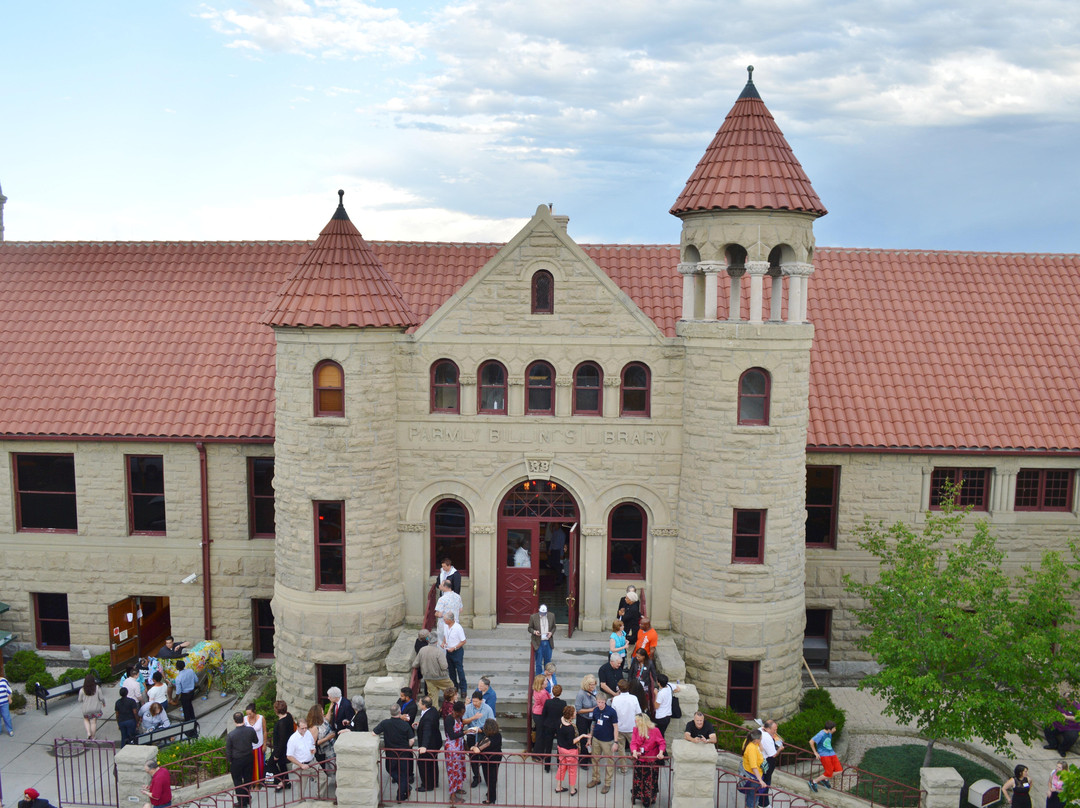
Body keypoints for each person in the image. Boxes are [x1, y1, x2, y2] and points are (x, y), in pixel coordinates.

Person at [372, 704, 416, 803]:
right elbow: (412, 740)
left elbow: (374, 733)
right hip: (404, 753)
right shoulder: (405, 725)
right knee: (403, 775)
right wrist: (407, 746)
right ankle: (403, 789)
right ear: (400, 712)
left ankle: (402, 792)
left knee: (390, 770)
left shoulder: (385, 723)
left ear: (390, 713)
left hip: (391, 754)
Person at [630, 713, 666, 808]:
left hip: (651, 759)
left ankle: (648, 799)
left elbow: (662, 743)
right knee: (638, 779)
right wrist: (634, 751)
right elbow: (633, 742)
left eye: (637, 721)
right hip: (640, 759)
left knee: (650, 781)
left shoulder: (654, 730)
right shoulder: (636, 730)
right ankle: (637, 796)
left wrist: (661, 752)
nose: (636, 722)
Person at [586, 691, 618, 793]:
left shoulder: (611, 712)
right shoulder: (595, 711)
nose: (600, 704)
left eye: (602, 702)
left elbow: (615, 727)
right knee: (595, 759)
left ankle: (607, 783)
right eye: (598, 702)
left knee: (609, 761)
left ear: (605, 701)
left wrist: (616, 742)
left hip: (608, 741)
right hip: (596, 739)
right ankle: (596, 779)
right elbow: (593, 724)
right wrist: (590, 737)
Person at [463, 690, 495, 788]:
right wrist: (473, 718)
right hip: (471, 735)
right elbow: (463, 721)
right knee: (473, 757)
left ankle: (488, 778)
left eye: (476, 701)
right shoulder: (468, 708)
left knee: (485, 757)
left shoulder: (487, 709)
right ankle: (476, 777)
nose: (474, 703)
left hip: (483, 734)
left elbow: (492, 723)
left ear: (481, 700)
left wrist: (482, 730)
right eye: (473, 701)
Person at [555, 704, 589, 796]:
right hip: (570, 751)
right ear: (570, 716)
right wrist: (582, 736)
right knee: (572, 770)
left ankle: (558, 786)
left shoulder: (560, 720)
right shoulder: (570, 728)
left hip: (561, 748)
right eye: (574, 713)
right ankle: (572, 790)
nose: (575, 713)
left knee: (562, 767)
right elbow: (572, 742)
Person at [227, 711, 259, 807]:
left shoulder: (231, 735)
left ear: (234, 721)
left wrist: (230, 761)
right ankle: (247, 797)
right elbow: (256, 740)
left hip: (237, 760)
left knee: (237, 781)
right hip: (249, 757)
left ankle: (242, 802)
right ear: (243, 719)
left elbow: (228, 751)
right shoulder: (250, 730)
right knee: (248, 778)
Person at [611, 679, 642, 772]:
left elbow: (613, 714)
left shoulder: (616, 699)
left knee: (621, 748)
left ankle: (623, 767)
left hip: (620, 727)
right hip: (632, 727)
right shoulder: (634, 698)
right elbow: (639, 713)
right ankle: (637, 763)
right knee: (635, 747)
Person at [471, 718, 503, 805]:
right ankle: (490, 794)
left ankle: (491, 798)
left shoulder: (489, 739)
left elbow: (478, 750)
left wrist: (473, 747)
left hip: (489, 760)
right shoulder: (498, 735)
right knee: (493, 777)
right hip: (496, 758)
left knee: (489, 779)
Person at [413, 632, 453, 700]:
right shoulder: (439, 652)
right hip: (441, 677)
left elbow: (415, 664)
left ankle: (435, 709)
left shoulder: (422, 650)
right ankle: (449, 708)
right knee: (451, 692)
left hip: (428, 678)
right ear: (437, 641)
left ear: (428, 640)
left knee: (433, 698)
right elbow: (444, 666)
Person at [416, 695, 443, 793]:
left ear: (424, 705)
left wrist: (424, 746)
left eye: (420, 702)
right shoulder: (433, 710)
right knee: (433, 762)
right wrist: (420, 725)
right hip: (435, 742)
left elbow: (427, 732)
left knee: (423, 764)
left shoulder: (427, 718)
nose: (418, 704)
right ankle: (434, 782)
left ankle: (427, 785)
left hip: (429, 744)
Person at [444, 700, 469, 805]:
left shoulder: (458, 717)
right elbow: (452, 735)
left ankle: (458, 787)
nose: (463, 714)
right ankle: (452, 795)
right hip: (452, 749)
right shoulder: (449, 719)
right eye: (462, 712)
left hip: (459, 747)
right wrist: (464, 733)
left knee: (459, 769)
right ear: (457, 711)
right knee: (453, 771)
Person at [285, 717, 317, 798]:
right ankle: (301, 802)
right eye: (302, 728)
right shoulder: (292, 739)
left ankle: (320, 796)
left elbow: (312, 744)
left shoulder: (308, 733)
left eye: (306, 728)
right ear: (298, 727)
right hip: (300, 766)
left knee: (323, 779)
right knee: (301, 788)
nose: (305, 730)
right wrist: (301, 765)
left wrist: (314, 750)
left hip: (312, 762)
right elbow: (289, 756)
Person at [538, 684, 567, 771]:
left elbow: (544, 715)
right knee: (559, 745)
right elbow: (564, 716)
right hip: (559, 726)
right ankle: (559, 764)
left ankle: (547, 766)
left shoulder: (548, 702)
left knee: (548, 746)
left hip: (549, 725)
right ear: (560, 693)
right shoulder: (563, 703)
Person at [309, 703, 336, 796]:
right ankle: (321, 794)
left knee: (335, 767)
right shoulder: (314, 727)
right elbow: (314, 743)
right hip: (324, 752)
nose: (323, 711)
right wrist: (327, 738)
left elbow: (327, 718)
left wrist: (331, 707)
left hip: (331, 749)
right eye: (321, 710)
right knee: (329, 769)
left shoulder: (323, 720)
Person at [268, 701, 295, 791]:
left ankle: (281, 781)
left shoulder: (281, 723)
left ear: (276, 710)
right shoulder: (289, 716)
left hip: (281, 749)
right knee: (282, 765)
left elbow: (282, 740)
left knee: (271, 763)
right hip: (286, 746)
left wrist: (276, 755)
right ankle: (286, 781)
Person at [807, 720, 841, 792]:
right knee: (829, 772)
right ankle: (813, 782)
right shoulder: (821, 734)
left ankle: (825, 779)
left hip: (831, 753)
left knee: (839, 770)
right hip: (824, 755)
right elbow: (811, 741)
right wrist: (815, 753)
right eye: (834, 728)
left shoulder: (829, 733)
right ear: (829, 729)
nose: (835, 729)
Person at [575, 675, 598, 770]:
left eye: (594, 685)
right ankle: (583, 760)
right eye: (591, 685)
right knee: (584, 738)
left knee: (592, 737)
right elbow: (578, 709)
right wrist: (591, 709)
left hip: (592, 718)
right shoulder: (581, 694)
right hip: (583, 719)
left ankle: (589, 756)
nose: (593, 687)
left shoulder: (594, 691)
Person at [441, 612, 468, 694]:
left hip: (457, 651)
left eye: (445, 619)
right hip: (448, 650)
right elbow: (446, 636)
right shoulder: (446, 626)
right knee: (451, 670)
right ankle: (454, 686)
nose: (444, 620)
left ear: (450, 620)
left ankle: (463, 688)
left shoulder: (458, 628)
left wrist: (454, 647)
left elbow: (463, 641)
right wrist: (443, 642)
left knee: (459, 670)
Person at [740, 729, 768, 808]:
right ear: (756, 740)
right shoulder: (751, 749)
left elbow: (761, 750)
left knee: (753, 798)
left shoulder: (750, 741)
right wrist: (760, 780)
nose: (761, 740)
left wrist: (759, 743)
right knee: (752, 800)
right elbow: (754, 767)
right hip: (753, 777)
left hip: (755, 775)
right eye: (760, 739)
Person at [528, 604, 556, 675]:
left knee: (548, 662)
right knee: (538, 663)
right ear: (539, 611)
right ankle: (539, 678)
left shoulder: (551, 616)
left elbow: (554, 627)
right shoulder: (533, 617)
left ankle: (547, 678)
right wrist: (535, 632)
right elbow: (529, 628)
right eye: (541, 613)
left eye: (544, 613)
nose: (543, 614)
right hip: (538, 642)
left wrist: (551, 633)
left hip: (548, 641)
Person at [760, 719, 784, 802]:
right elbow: (773, 755)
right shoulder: (767, 738)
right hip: (766, 763)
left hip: (762, 760)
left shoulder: (761, 730)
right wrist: (779, 749)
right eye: (774, 730)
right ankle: (763, 803)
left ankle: (762, 801)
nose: (775, 732)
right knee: (766, 783)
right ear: (768, 729)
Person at [244, 702, 267, 787]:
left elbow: (264, 731)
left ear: (254, 712)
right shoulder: (245, 719)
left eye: (250, 714)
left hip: (259, 745)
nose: (249, 716)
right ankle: (251, 783)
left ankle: (258, 783)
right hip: (249, 747)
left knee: (259, 765)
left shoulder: (261, 718)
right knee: (250, 766)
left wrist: (265, 744)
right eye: (247, 714)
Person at [435, 580, 464, 645]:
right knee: (454, 642)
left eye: (441, 585)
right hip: (455, 623)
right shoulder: (458, 596)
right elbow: (460, 610)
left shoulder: (442, 599)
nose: (439, 586)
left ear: (445, 587)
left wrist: (435, 613)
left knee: (442, 643)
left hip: (444, 624)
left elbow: (439, 614)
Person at [78, 674, 106, 740]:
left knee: (86, 720)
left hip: (86, 709)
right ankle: (93, 737)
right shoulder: (97, 688)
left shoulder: (82, 690)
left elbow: (79, 700)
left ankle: (88, 733)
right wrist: (103, 703)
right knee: (93, 722)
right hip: (95, 709)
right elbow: (101, 698)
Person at [629, 648, 657, 712]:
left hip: (645, 684)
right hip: (635, 683)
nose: (637, 658)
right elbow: (631, 672)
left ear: (643, 656)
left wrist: (656, 686)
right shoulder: (635, 661)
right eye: (636, 656)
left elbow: (654, 674)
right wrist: (630, 682)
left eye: (639, 657)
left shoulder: (649, 662)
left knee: (644, 698)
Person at [174, 659, 197, 734]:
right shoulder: (191, 671)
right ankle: (194, 721)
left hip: (185, 695)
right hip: (192, 692)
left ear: (177, 668)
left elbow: (178, 691)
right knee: (190, 706)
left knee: (186, 711)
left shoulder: (178, 678)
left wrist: (176, 699)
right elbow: (196, 680)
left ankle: (189, 728)